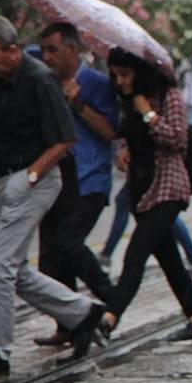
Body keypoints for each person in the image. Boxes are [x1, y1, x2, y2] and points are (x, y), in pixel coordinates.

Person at [0, 16, 107, 375]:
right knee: (13, 271)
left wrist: (31, 175)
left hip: (34, 179)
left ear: (13, 51)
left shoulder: (39, 80)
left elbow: (65, 139)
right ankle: (82, 312)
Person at [98, 48, 192, 342]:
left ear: (140, 72)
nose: (119, 81)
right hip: (142, 190)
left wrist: (147, 111)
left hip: (169, 187)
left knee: (135, 255)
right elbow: (126, 136)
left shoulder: (167, 96)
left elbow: (176, 138)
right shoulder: (128, 101)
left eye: (125, 74)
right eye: (115, 75)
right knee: (170, 260)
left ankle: (110, 318)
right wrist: (123, 152)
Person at [32, 23, 120, 347]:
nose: (47, 56)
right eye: (44, 50)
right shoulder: (45, 83)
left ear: (72, 49)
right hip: (53, 179)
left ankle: (112, 300)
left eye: (54, 49)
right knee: (51, 257)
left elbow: (111, 132)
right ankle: (67, 325)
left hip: (89, 179)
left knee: (69, 243)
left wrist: (80, 104)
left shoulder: (96, 84)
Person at [99, 182, 192, 276]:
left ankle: (106, 256)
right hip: (157, 168)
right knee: (164, 208)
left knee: (164, 209)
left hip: (154, 167)